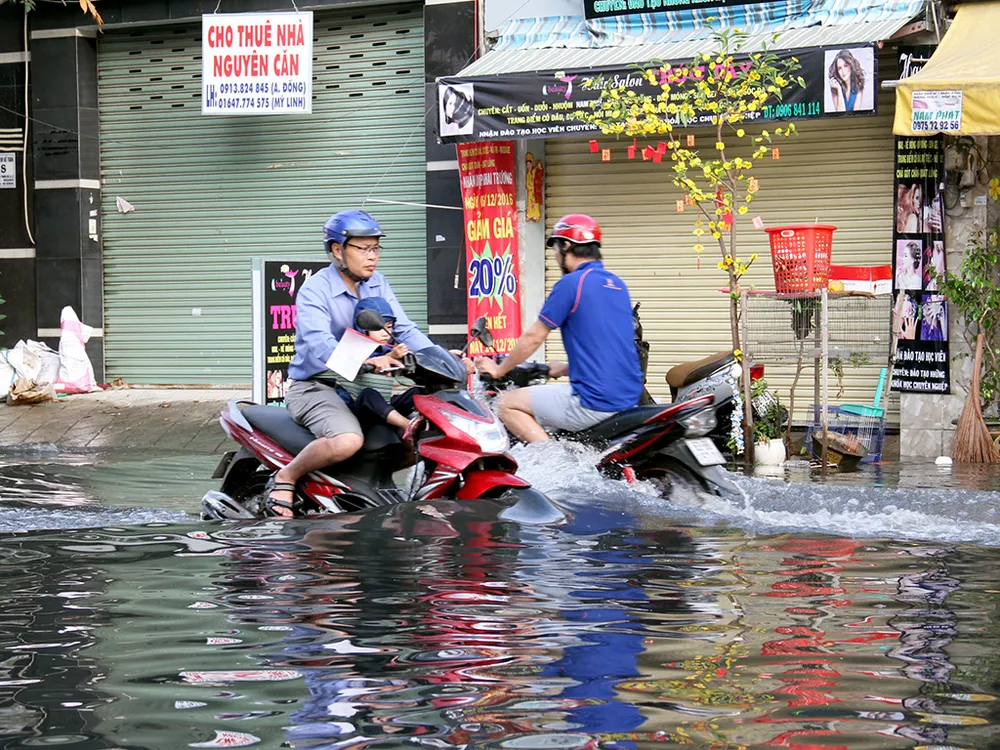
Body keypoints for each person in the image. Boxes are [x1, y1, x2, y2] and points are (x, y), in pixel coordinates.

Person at [267, 209, 434, 517]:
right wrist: (371, 360)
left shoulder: (377, 283)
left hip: (367, 386)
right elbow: (320, 344)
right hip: (318, 386)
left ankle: (364, 484)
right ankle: (286, 477)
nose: (373, 257)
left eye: (376, 248)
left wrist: (442, 356)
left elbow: (404, 328)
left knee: (430, 431)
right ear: (337, 250)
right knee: (347, 440)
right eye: (364, 248)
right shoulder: (315, 290)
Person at [474, 213, 643, 442]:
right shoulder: (617, 285)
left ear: (565, 246)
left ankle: (554, 467)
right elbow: (607, 341)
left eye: (555, 249)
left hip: (594, 402)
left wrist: (499, 370)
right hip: (629, 397)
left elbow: (534, 337)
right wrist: (563, 368)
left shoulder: (572, 283)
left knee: (507, 403)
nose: (555, 256)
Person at [335, 296, 421, 439]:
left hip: (385, 403)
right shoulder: (350, 346)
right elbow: (354, 365)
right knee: (369, 394)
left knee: (416, 391)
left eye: (389, 327)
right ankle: (408, 425)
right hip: (356, 406)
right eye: (378, 328)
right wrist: (389, 357)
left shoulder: (388, 348)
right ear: (363, 328)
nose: (384, 333)